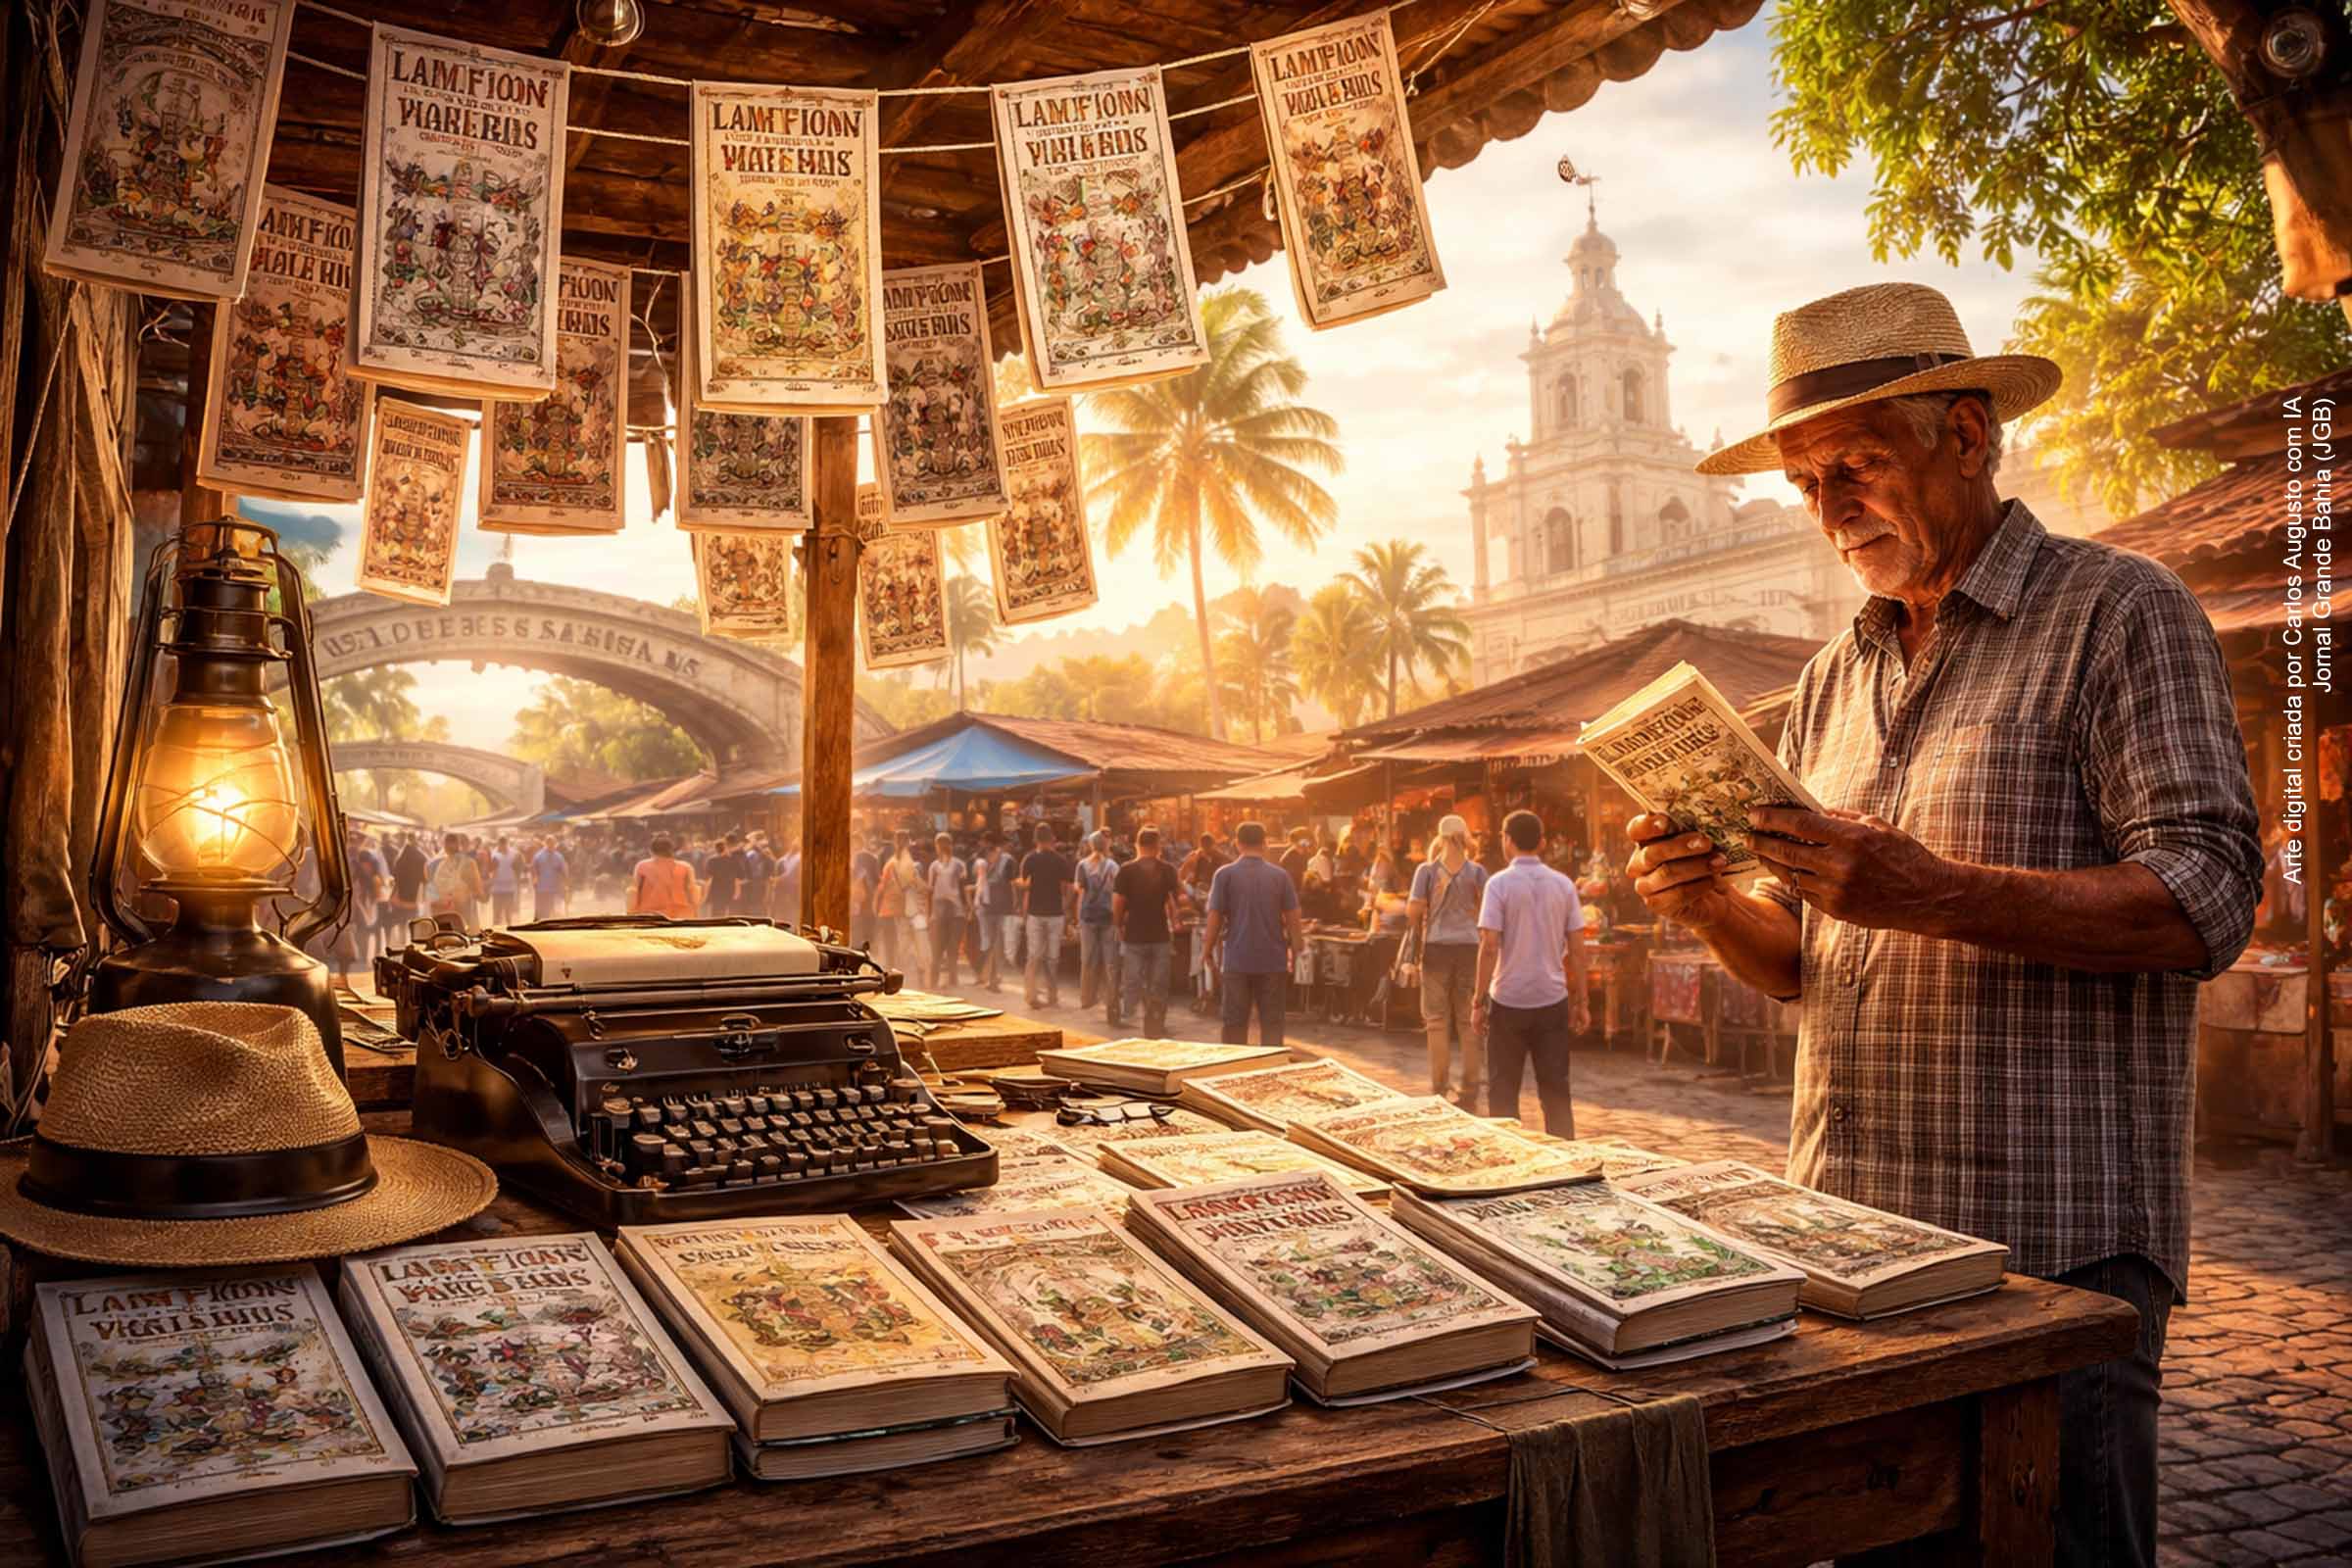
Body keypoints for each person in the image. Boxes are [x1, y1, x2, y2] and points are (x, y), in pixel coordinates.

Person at [1626, 283, 2261, 1568]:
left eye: (1855, 465)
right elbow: (1811, 964)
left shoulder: (2119, 615)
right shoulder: (1830, 678)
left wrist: (1934, 891)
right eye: (1806, 484)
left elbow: (2209, 897)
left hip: (2050, 1254)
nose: (1829, 509)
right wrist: (1705, 904)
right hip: (1851, 1243)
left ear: (1966, 434)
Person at [1473, 809, 1588, 1136]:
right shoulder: (1563, 885)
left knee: (1502, 1091)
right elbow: (1578, 949)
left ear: (1507, 841)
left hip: (1507, 1000)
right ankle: (1567, 1160)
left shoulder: (1498, 885)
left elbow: (1489, 946)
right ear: (1542, 842)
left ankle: (1509, 1161)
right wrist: (1582, 1002)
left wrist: (1478, 1002)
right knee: (1555, 1091)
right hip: (1552, 999)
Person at [1408, 814, 1490, 1104]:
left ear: (1440, 839)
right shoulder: (1478, 872)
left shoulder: (1426, 871)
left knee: (1436, 1021)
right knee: (1468, 1022)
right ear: (1465, 838)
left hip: (1436, 949)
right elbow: (1487, 912)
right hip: (1470, 948)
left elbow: (1413, 912)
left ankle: (1439, 1088)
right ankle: (1470, 1088)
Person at [1201, 820, 1301, 1048]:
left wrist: (1207, 951)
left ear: (1237, 844)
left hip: (1237, 960)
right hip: (1272, 961)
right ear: (1265, 844)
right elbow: (1293, 918)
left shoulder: (1224, 875)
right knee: (1272, 1023)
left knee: (1234, 1023)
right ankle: (1271, 1071)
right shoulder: (1280, 876)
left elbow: (1214, 917)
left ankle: (1234, 1071)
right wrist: (1296, 951)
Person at [1114, 827, 1184, 1038]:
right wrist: (1176, 919)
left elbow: (1118, 903)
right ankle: (1155, 1022)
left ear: (1137, 845)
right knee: (1159, 983)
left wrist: (1118, 926)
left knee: (1135, 980)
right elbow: (1176, 900)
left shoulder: (1125, 870)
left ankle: (1139, 1014)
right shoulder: (1168, 870)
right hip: (1159, 935)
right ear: (1157, 846)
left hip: (1134, 935)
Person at [1018, 824, 1075, 1010]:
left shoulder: (1029, 859)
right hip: (1055, 914)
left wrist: (1023, 911)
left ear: (1036, 840)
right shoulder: (1060, 860)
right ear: (1052, 839)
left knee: (1034, 956)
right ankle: (1052, 995)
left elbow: (1024, 885)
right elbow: (1068, 888)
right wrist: (1065, 908)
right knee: (1052, 957)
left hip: (1035, 914)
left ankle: (1031, 995)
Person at [1075, 831, 1124, 1027]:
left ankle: (1087, 998)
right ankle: (1112, 1004)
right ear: (1107, 845)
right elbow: (1118, 893)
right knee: (1110, 963)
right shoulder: (1114, 867)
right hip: (1108, 918)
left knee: (1087, 960)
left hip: (1088, 917)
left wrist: (1078, 916)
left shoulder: (1083, 865)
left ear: (1090, 845)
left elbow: (1079, 891)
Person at [873, 832, 926, 973]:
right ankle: (900, 972)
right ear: (908, 843)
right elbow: (920, 887)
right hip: (904, 910)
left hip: (888, 909)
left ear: (895, 843)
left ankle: (892, 972)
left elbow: (881, 887)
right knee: (901, 945)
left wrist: (875, 906)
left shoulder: (890, 863)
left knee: (890, 945)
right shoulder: (910, 864)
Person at [927, 832, 968, 988]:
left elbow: (963, 886)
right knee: (939, 948)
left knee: (951, 947)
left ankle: (951, 979)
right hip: (941, 910)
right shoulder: (935, 866)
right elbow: (930, 890)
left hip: (954, 910)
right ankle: (935, 980)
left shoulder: (958, 864)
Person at [426, 832, 484, 930]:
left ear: (444, 846)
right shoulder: (468, 863)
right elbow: (478, 891)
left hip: (439, 916)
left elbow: (430, 893)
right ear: (459, 845)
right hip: (460, 916)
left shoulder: (434, 864)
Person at [383, 831, 425, 953]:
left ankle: (401, 945)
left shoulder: (401, 857)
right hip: (414, 896)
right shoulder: (420, 856)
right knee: (413, 922)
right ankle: (414, 947)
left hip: (401, 896)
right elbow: (424, 877)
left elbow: (395, 875)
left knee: (401, 923)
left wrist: (394, 893)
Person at [702, 832, 742, 918]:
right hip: (730, 890)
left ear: (715, 849)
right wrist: (737, 891)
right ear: (725, 848)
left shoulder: (711, 860)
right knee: (729, 914)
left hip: (716, 890)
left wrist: (705, 893)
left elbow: (709, 877)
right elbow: (738, 877)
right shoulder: (733, 860)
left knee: (716, 913)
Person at [530, 836, 569, 923]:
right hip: (541, 888)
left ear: (555, 844)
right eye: (549, 843)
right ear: (545, 843)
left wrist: (566, 884)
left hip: (553, 888)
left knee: (551, 910)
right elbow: (533, 869)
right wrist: (534, 879)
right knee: (540, 910)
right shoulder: (538, 856)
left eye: (552, 843)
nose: (551, 845)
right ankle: (538, 924)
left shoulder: (559, 857)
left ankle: (548, 924)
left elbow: (564, 871)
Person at [485, 836, 521, 928]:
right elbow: (490, 871)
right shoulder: (494, 855)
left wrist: (517, 880)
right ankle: (495, 929)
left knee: (508, 913)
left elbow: (519, 869)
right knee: (497, 913)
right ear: (499, 844)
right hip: (497, 889)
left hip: (510, 888)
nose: (502, 847)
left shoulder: (514, 854)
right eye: (501, 845)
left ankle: (509, 929)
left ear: (506, 843)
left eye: (504, 844)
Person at [1279, 828, 1313, 892]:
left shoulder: (1306, 853)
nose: (1309, 842)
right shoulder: (1290, 857)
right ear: (1296, 841)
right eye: (1306, 839)